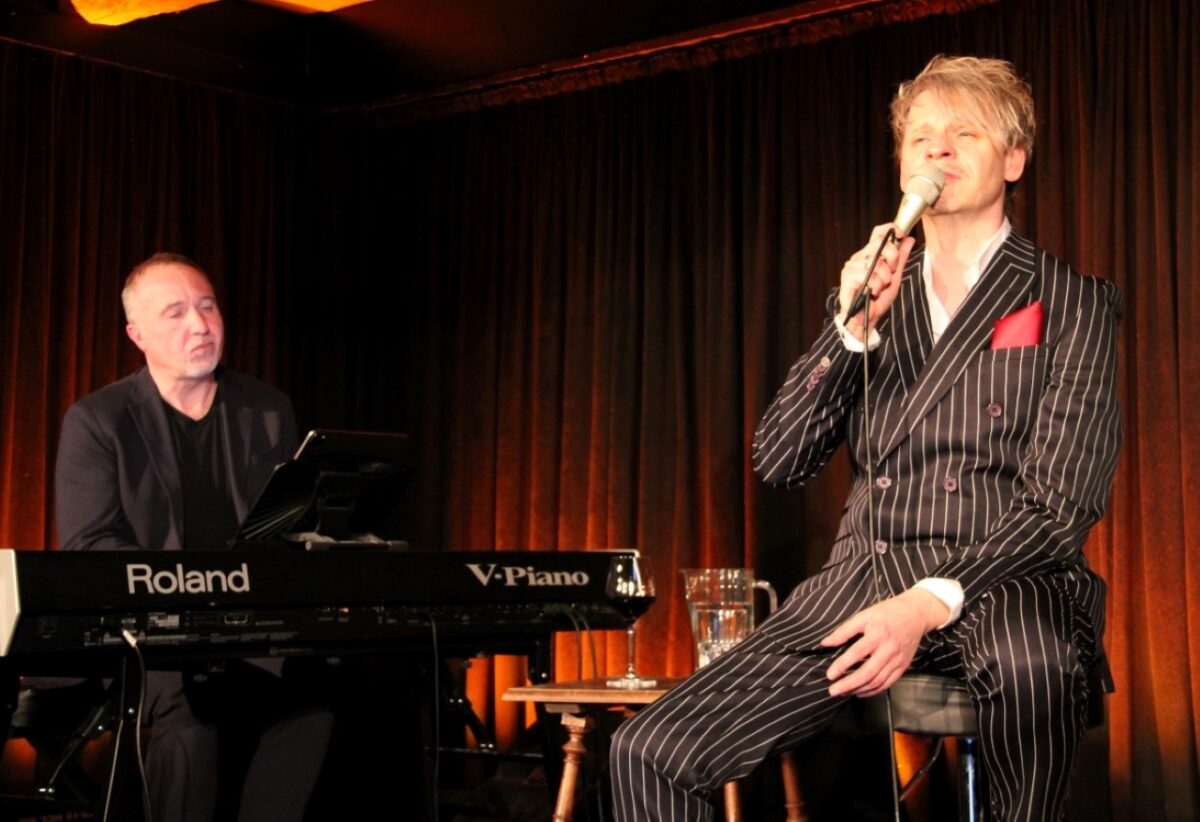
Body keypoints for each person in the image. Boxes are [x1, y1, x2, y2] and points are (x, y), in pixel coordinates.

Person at [610, 54, 1122, 821]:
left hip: (1001, 578)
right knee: (647, 751)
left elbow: (1061, 503)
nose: (938, 149)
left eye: (965, 133)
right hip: (864, 576)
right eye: (921, 137)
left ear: (1014, 159)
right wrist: (851, 330)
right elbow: (780, 459)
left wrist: (924, 605)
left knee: (1034, 662)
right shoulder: (873, 293)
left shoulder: (1072, 301)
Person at [53, 252, 333, 822]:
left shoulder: (266, 409)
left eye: (208, 307)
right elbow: (89, 546)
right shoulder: (99, 421)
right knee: (192, 713)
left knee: (314, 701)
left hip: (249, 629)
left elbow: (289, 529)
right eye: (176, 313)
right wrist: (191, 588)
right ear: (137, 335)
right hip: (150, 638)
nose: (201, 325)